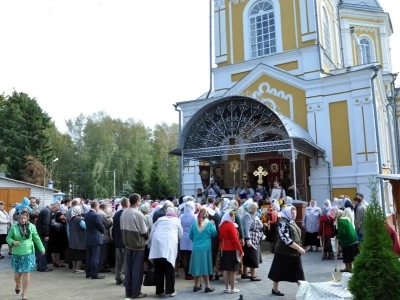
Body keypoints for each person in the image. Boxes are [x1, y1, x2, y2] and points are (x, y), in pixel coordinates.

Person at [6, 211, 45, 300]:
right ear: (18, 218)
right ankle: (17, 283)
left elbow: (36, 238)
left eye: (24, 218)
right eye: (21, 218)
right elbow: (8, 238)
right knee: (17, 274)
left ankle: (24, 294)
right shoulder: (14, 227)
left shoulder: (32, 226)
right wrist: (13, 242)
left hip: (28, 252)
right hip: (17, 252)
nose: (23, 220)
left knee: (26, 272)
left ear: (27, 218)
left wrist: (42, 248)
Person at [268, 206, 305, 297]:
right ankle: (275, 289)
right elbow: (286, 239)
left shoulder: (291, 222)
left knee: (298, 271)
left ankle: (303, 289)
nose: (294, 215)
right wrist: (299, 248)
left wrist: (298, 248)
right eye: (292, 213)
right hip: (283, 252)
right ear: (288, 213)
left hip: (294, 252)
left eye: (295, 214)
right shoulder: (282, 223)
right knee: (278, 271)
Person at [149, 207, 183, 297]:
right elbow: (181, 234)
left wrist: (150, 244)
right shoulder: (177, 220)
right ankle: (171, 290)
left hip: (157, 244)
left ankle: (159, 291)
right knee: (169, 268)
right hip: (169, 245)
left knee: (159, 268)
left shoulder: (160, 219)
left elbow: (152, 232)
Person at [120, 193, 149, 299]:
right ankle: (136, 292)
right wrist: (146, 237)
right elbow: (144, 231)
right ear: (137, 201)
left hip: (127, 244)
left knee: (128, 270)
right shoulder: (138, 214)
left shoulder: (124, 212)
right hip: (138, 245)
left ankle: (128, 291)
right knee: (137, 270)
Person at [189, 208, 217, 293]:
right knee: (205, 267)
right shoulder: (209, 224)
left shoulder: (194, 224)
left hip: (196, 248)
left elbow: (190, 236)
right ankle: (207, 286)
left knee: (197, 267)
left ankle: (196, 285)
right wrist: (214, 225)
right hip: (205, 248)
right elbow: (214, 234)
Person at [219, 209, 244, 294]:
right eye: (232, 216)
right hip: (231, 249)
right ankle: (233, 288)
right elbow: (235, 240)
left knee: (225, 270)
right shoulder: (231, 226)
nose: (233, 218)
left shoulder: (221, 225)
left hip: (223, 249)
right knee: (233, 270)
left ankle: (226, 288)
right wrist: (241, 250)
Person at [35, 202, 60, 272]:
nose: (55, 211)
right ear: (54, 207)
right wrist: (46, 235)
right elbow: (45, 224)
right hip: (42, 234)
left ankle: (40, 265)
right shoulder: (47, 212)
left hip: (39, 233)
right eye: (56, 210)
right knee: (43, 250)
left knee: (40, 250)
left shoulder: (44, 210)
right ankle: (42, 266)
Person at [333, 208, 359, 272]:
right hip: (353, 238)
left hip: (347, 240)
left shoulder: (341, 221)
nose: (335, 216)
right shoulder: (346, 218)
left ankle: (347, 268)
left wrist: (337, 237)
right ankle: (350, 267)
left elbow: (342, 232)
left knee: (347, 254)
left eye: (336, 214)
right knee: (351, 254)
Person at [84, 201, 105, 279]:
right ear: (96, 206)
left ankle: (88, 272)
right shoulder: (96, 215)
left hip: (88, 237)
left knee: (89, 256)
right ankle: (94, 273)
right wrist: (103, 231)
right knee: (95, 257)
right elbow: (100, 226)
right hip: (96, 237)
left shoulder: (87, 215)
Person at [112, 197, 128, 285]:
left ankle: (118, 277)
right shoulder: (126, 214)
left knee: (118, 261)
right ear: (127, 204)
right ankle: (126, 279)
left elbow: (114, 228)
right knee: (126, 261)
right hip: (125, 241)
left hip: (118, 241)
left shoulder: (116, 214)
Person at [179, 200, 196, 280]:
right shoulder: (194, 216)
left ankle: (186, 274)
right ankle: (190, 273)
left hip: (183, 237)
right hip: (191, 237)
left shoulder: (181, 216)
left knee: (184, 256)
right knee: (191, 256)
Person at [69, 206, 87, 274]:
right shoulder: (78, 219)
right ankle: (77, 268)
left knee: (74, 255)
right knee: (80, 254)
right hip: (79, 239)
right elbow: (85, 226)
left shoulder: (72, 219)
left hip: (73, 239)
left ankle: (74, 268)